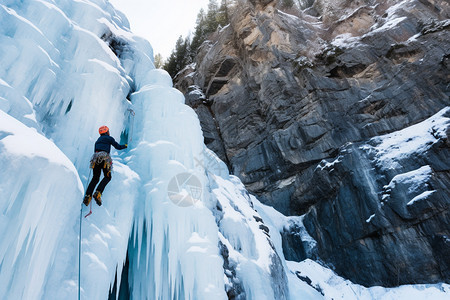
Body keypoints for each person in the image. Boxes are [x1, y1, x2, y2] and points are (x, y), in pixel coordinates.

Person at [83, 125, 127, 206]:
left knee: (95, 178)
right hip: (104, 158)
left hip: (95, 159)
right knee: (107, 177)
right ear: (106, 132)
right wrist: (125, 146)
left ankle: (88, 196)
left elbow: (95, 150)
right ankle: (98, 192)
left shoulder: (97, 141)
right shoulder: (109, 138)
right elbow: (117, 146)